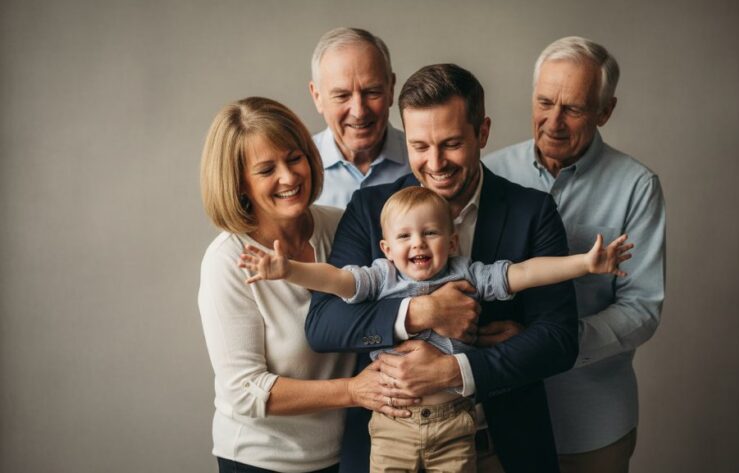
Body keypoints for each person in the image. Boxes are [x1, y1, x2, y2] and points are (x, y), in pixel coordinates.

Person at [239, 186, 632, 472]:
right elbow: (337, 281)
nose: (418, 244)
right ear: (387, 248)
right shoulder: (381, 277)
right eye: (405, 236)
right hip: (393, 424)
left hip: (454, 423)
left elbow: (524, 272)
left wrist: (583, 264)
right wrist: (288, 270)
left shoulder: (468, 273)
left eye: (430, 233)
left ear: (452, 240)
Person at [306, 64, 580, 473]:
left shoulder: (531, 211)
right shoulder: (369, 209)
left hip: (502, 449)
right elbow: (324, 324)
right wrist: (421, 313)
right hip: (389, 448)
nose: (435, 164)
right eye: (420, 146)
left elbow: (558, 339)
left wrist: (456, 368)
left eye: (451, 144)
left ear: (482, 133)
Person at [197, 97, 416, 473]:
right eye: (267, 170)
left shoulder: (340, 226)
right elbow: (244, 391)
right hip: (259, 460)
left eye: (294, 158)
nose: (289, 177)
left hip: (340, 456)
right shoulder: (226, 261)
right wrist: (351, 391)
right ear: (240, 184)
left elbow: (395, 298)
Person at [484, 36, 666, 473]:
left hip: (592, 422)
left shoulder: (637, 186)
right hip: (498, 416)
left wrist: (547, 343)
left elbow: (642, 308)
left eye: (574, 109)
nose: (553, 121)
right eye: (545, 102)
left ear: (605, 111)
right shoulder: (489, 171)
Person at [309, 27, 410, 208]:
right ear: (317, 97)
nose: (359, 112)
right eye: (342, 96)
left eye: (372, 92)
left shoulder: (424, 163)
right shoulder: (298, 173)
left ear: (391, 89)